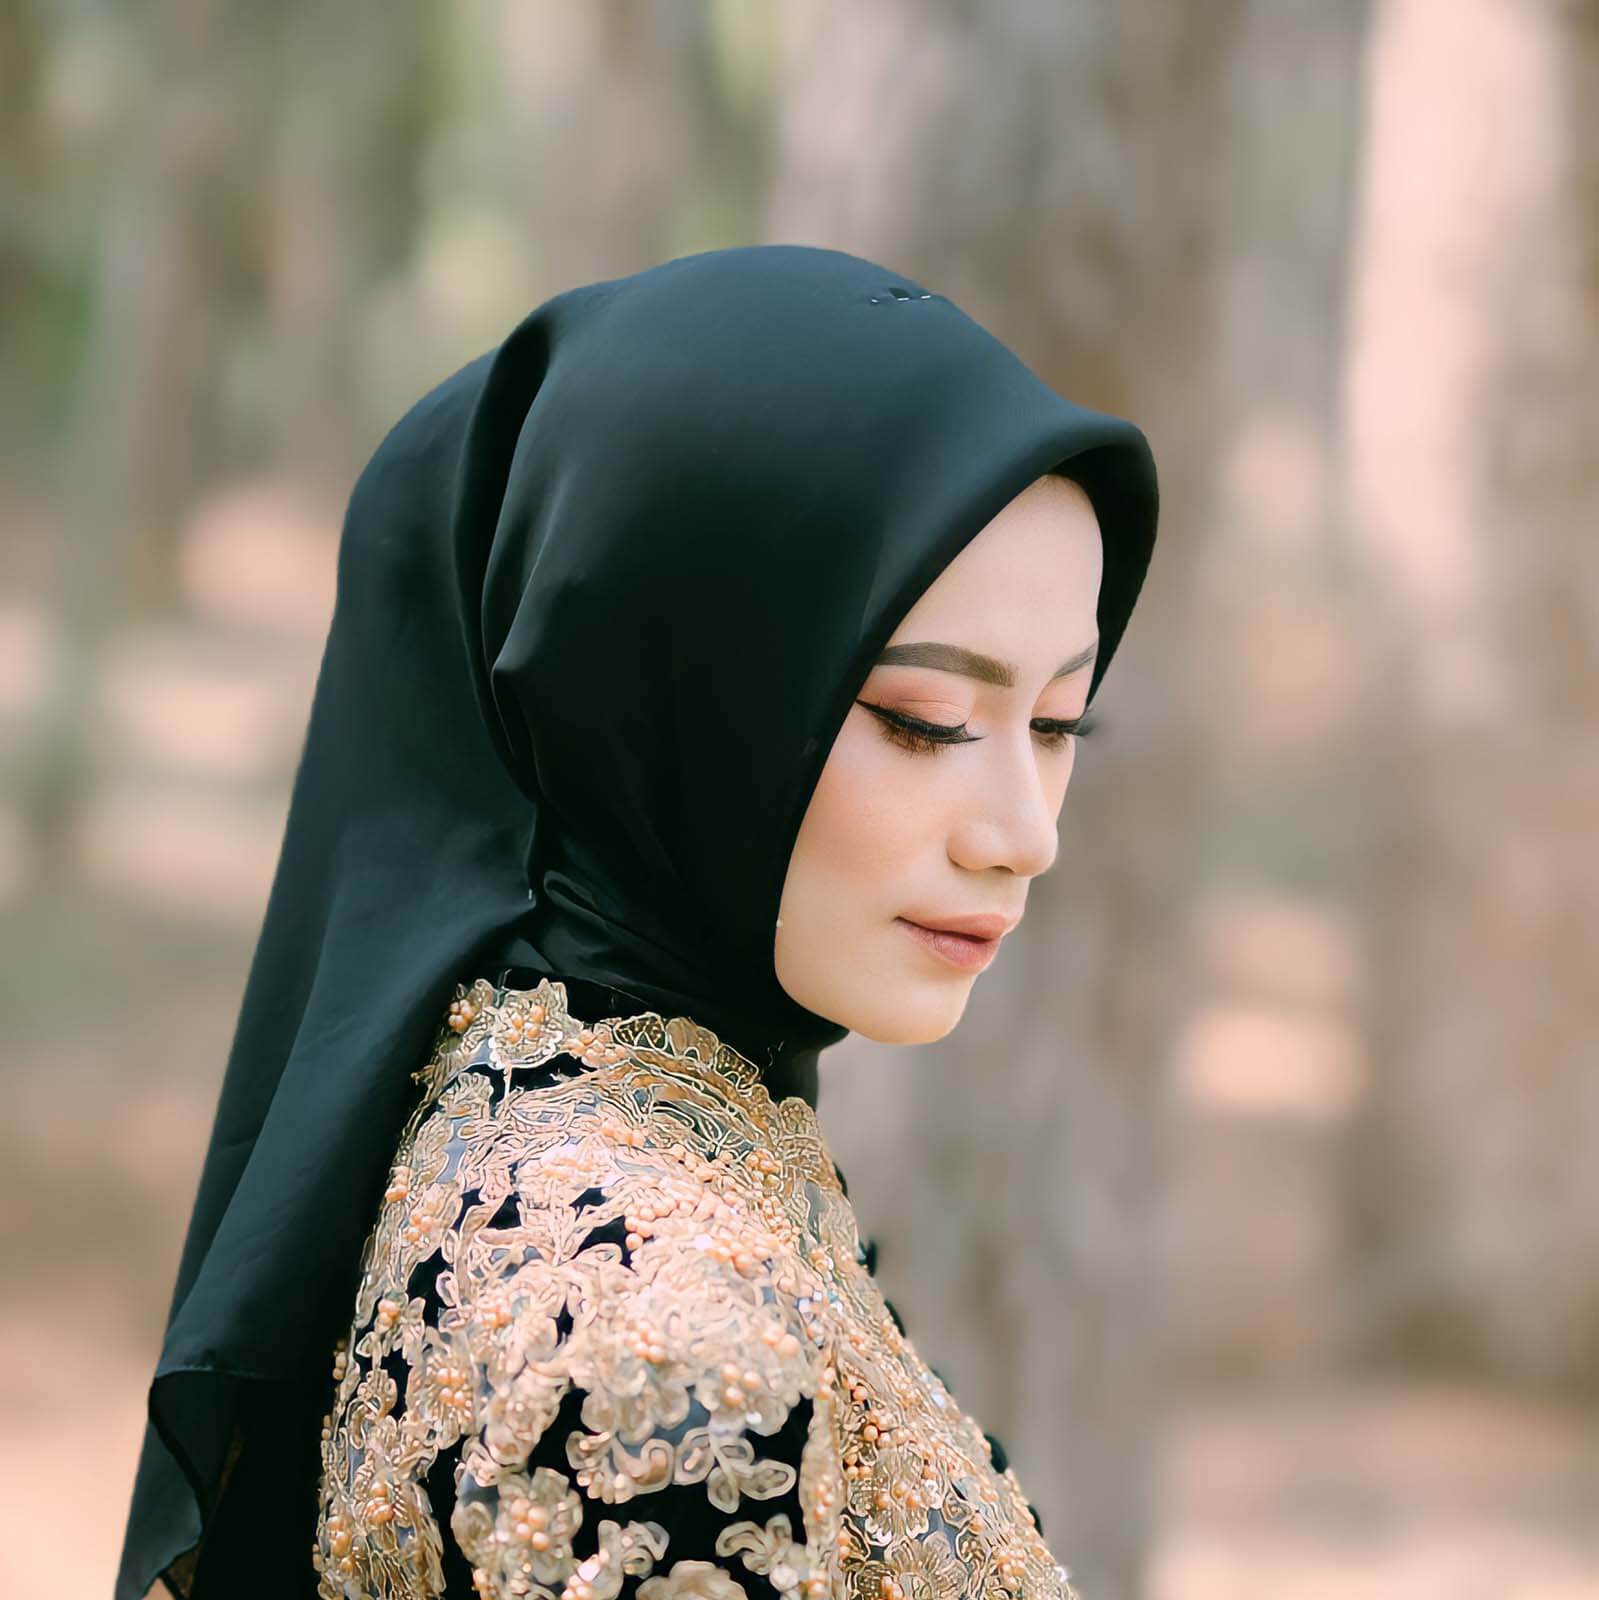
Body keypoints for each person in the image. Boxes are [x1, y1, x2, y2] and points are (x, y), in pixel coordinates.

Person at [114, 243, 1158, 1600]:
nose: (1023, 833)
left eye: (1061, 722)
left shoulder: (520, 1115)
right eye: (926, 720)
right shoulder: (662, 1364)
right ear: (660, 696)